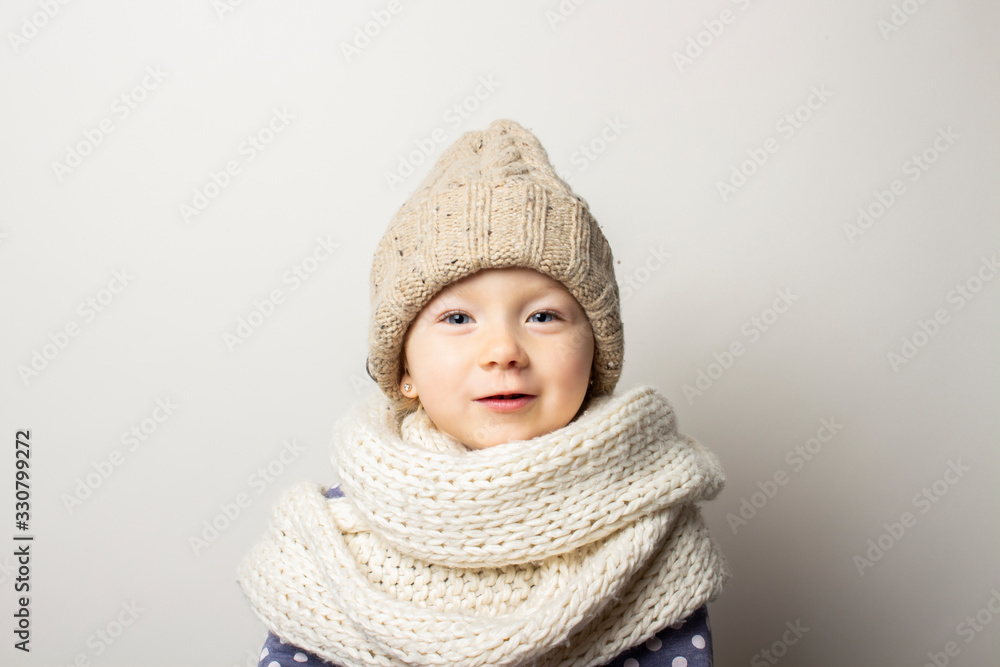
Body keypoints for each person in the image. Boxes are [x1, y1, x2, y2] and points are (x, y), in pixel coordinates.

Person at [237, 119, 729, 667]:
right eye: (457, 317)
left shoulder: (647, 525)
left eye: (542, 315)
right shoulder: (334, 540)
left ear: (595, 357)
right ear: (404, 370)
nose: (503, 351)